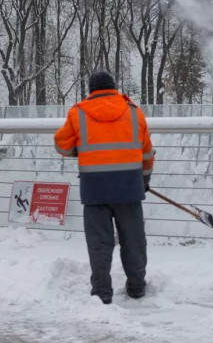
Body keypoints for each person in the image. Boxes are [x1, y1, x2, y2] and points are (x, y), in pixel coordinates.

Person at [54, 70, 155, 305]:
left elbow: (61, 144)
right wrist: (145, 179)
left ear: (91, 90)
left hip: (95, 188)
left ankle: (101, 292)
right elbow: (147, 152)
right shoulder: (134, 112)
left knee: (99, 243)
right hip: (129, 186)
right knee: (133, 239)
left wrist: (77, 150)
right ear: (114, 87)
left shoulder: (78, 113)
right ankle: (137, 287)